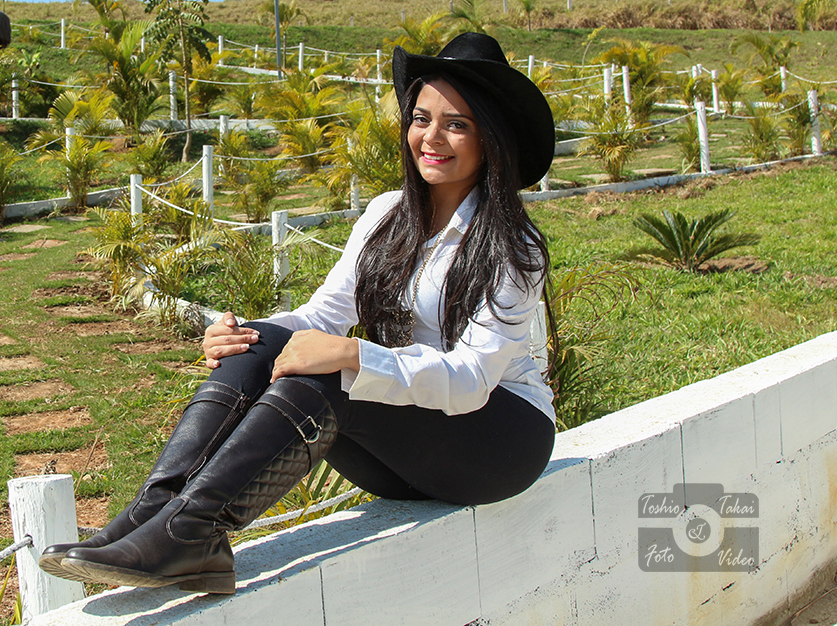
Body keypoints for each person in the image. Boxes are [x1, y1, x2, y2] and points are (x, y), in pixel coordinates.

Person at [38, 32, 558, 595]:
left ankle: (194, 535)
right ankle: (152, 513)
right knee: (260, 345)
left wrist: (355, 354)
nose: (430, 138)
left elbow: (472, 381)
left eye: (456, 124)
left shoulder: (512, 246)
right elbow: (323, 314)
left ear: (491, 138)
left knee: (332, 375)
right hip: (410, 448)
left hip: (496, 441)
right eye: (420, 118)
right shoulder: (389, 214)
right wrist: (245, 333)